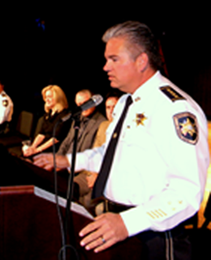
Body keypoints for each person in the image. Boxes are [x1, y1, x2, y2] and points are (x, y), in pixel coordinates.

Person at [33, 21, 210, 259]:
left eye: (113, 59)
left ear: (141, 61)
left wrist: (128, 223)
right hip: (115, 219)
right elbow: (111, 154)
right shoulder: (126, 102)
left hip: (153, 233)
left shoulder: (175, 109)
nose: (105, 67)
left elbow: (187, 192)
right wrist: (67, 160)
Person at [22, 85, 71, 157]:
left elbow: (55, 139)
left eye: (50, 97)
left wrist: (37, 150)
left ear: (58, 98)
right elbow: (41, 134)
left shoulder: (64, 115)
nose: (47, 100)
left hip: (53, 150)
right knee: (25, 155)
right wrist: (33, 147)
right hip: (42, 146)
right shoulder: (48, 114)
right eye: (46, 97)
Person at [56, 89, 106, 156]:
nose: (83, 107)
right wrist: (57, 159)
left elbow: (95, 151)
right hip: (66, 161)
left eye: (85, 103)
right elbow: (66, 142)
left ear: (93, 102)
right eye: (80, 104)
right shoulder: (77, 119)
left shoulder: (101, 122)